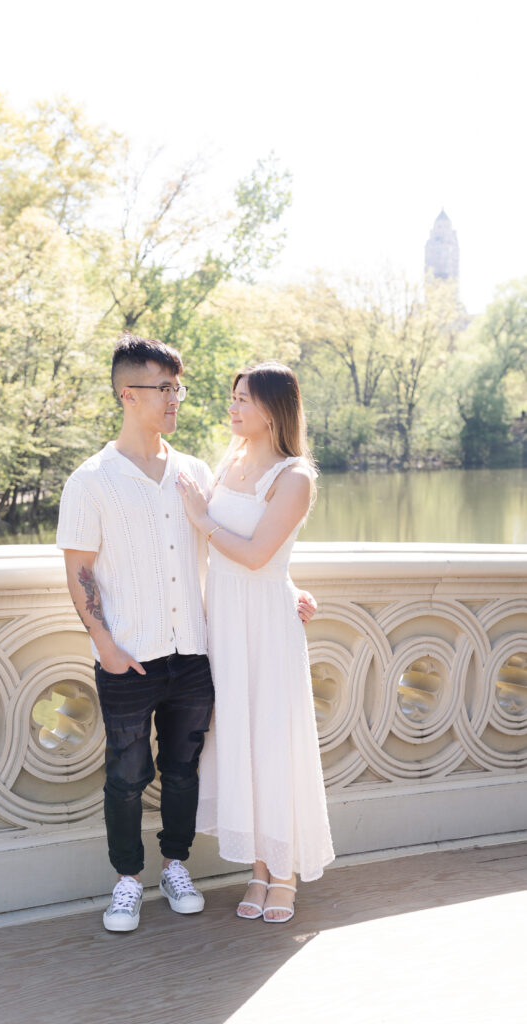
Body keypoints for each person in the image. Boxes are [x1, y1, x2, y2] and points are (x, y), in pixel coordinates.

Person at [57, 336, 317, 933]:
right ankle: (127, 881)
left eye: (179, 387)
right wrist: (105, 646)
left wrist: (288, 588)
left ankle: (176, 867)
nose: (176, 398)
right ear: (129, 394)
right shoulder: (90, 480)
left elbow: (244, 543)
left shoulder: (197, 472)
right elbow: (79, 570)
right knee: (125, 776)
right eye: (163, 388)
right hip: (129, 654)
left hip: (198, 653)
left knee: (183, 772)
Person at [176, 360, 334, 923]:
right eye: (232, 395)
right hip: (226, 619)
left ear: (274, 409)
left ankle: (283, 871)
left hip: (266, 622)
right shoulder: (230, 460)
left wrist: (201, 517)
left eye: (244, 398)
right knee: (238, 734)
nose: (233, 406)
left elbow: (258, 554)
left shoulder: (295, 476)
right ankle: (257, 868)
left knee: (272, 737)